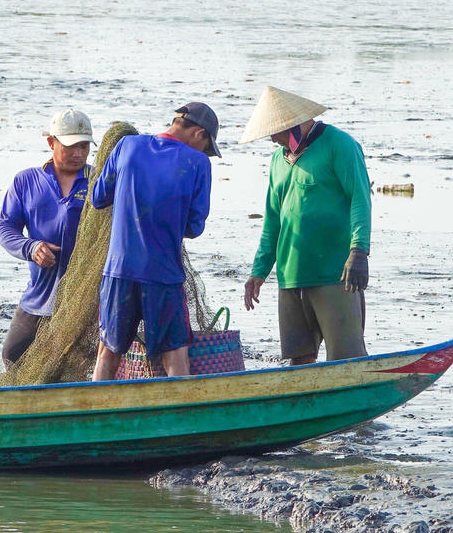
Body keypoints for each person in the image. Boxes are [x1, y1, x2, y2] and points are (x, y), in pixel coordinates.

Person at [240, 86, 371, 365]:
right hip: (291, 276)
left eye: (275, 132)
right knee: (299, 361)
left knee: (346, 360)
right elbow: (273, 220)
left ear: (293, 124)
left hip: (334, 275)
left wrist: (359, 251)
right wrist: (259, 272)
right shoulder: (278, 160)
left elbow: (361, 200)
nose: (273, 140)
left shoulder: (340, 146)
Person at [89, 102, 219, 381]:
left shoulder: (126, 146)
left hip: (118, 270)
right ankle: (178, 419)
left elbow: (98, 197)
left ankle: (96, 414)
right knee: (175, 353)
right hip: (162, 273)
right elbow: (195, 227)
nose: (203, 152)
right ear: (199, 133)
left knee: (107, 352)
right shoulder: (198, 163)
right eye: (206, 145)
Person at [0, 109, 93, 366]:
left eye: (84, 146)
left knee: (76, 361)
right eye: (71, 146)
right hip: (41, 293)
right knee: (12, 354)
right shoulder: (26, 182)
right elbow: (6, 228)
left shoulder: (98, 182)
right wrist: (31, 247)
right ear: (51, 143)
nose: (79, 154)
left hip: (86, 297)